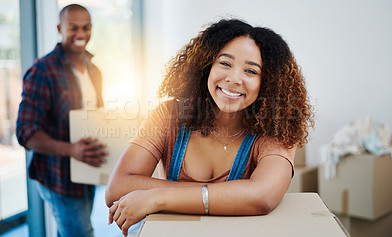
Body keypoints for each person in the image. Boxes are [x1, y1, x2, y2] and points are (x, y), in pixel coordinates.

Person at [106, 19, 314, 236]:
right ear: (206, 66)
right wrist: (229, 197)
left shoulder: (276, 129)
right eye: (225, 63)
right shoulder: (169, 115)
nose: (234, 79)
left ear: (269, 83)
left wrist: (157, 197)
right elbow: (117, 188)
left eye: (251, 71)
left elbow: (261, 196)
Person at [16, 4, 107, 237]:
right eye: (73, 28)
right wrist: (71, 149)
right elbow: (25, 131)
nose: (81, 34)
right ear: (59, 28)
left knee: (72, 231)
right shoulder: (43, 71)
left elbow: (96, 117)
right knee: (80, 233)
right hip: (57, 175)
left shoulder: (94, 70)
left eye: (86, 27)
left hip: (87, 170)